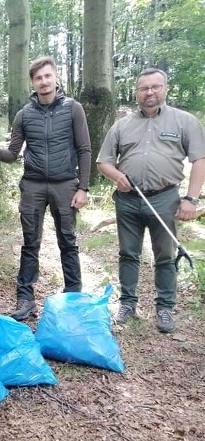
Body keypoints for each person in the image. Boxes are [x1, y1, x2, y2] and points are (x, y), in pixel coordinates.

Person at [97, 68, 205, 333]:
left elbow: (199, 161)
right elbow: (103, 162)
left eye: (155, 87)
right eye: (144, 88)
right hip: (128, 200)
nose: (149, 93)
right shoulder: (122, 125)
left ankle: (165, 308)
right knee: (128, 253)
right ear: (136, 92)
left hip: (165, 199)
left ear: (165, 88)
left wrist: (190, 199)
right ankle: (127, 303)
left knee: (165, 256)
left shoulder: (185, 121)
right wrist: (117, 176)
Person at [0, 56, 91, 321]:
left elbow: (84, 149)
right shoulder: (24, 115)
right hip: (33, 186)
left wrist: (84, 188)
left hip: (65, 185)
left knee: (67, 241)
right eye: (38, 78)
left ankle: (73, 298)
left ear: (56, 77)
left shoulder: (73, 109)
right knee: (29, 243)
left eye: (48, 76)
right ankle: (25, 299)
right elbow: (13, 154)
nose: (44, 82)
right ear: (32, 83)